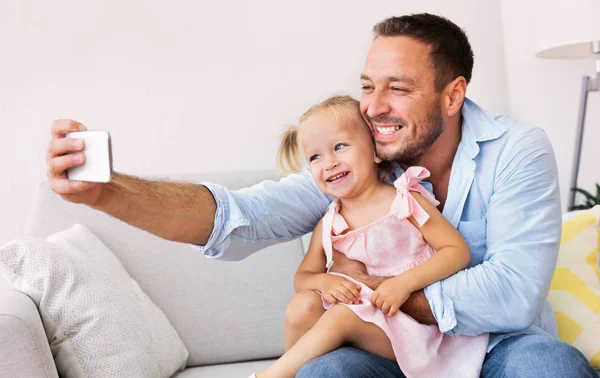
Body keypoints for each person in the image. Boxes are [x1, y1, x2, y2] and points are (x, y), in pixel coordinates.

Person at [46, 13, 596, 378]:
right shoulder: (359, 160)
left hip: (492, 346)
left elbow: (513, 292)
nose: (374, 107)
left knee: (550, 367)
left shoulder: (517, 149)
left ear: (453, 95)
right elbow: (245, 215)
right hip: (386, 347)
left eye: (398, 89)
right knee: (325, 372)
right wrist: (108, 193)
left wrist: (379, 290)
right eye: (367, 85)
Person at [249, 95, 489, 378]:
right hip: (366, 329)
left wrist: (403, 284)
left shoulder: (405, 202)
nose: (329, 163)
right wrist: (324, 281)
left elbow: (457, 251)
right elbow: (302, 279)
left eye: (340, 147)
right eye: (315, 157)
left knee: (341, 317)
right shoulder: (329, 224)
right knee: (302, 306)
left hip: (418, 329)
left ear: (375, 151)